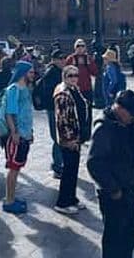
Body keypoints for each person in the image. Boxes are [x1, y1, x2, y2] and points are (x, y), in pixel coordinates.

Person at [86, 90, 134, 258]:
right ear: (119, 109)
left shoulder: (130, 124)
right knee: (115, 240)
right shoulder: (104, 128)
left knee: (130, 236)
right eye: (131, 114)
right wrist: (113, 189)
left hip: (129, 190)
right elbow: (94, 163)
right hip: (113, 194)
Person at [53, 65, 88, 214]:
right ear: (64, 77)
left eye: (76, 75)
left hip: (77, 135)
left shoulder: (74, 90)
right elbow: (62, 119)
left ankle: (71, 197)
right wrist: (70, 139)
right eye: (70, 76)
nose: (74, 78)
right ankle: (62, 202)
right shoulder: (63, 94)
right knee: (68, 170)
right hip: (69, 138)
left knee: (73, 169)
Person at [3, 61, 35, 214]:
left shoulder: (25, 89)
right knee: (13, 168)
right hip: (17, 135)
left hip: (25, 133)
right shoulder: (14, 89)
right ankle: (9, 200)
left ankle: (12, 197)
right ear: (23, 73)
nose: (33, 75)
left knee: (17, 168)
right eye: (30, 72)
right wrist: (14, 132)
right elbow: (10, 113)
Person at [36, 48, 64, 178]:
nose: (62, 61)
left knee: (60, 136)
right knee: (58, 137)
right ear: (54, 60)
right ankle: (57, 166)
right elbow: (49, 93)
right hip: (54, 109)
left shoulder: (60, 71)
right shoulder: (52, 73)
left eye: (63, 58)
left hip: (60, 108)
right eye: (60, 59)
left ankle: (58, 163)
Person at [65, 38, 98, 131]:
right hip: (74, 90)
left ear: (85, 48)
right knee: (75, 111)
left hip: (87, 89)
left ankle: (87, 131)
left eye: (82, 46)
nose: (80, 48)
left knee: (88, 111)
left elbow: (95, 72)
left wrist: (89, 64)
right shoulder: (70, 59)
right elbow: (65, 73)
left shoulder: (88, 59)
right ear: (75, 48)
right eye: (78, 46)